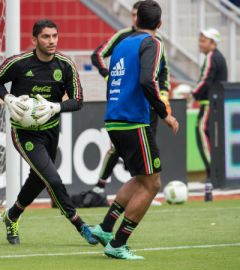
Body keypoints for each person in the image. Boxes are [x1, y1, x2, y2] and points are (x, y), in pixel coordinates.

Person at [0, 19, 98, 246]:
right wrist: (8, 98)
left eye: (54, 36)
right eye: (46, 37)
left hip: (51, 131)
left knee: (38, 179)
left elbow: (78, 101)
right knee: (53, 179)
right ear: (34, 39)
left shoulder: (65, 65)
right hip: (24, 133)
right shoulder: (19, 63)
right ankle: (81, 225)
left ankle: (12, 216)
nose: (51, 41)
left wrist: (55, 107)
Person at [90, 0, 179, 259]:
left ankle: (106, 228)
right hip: (133, 120)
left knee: (141, 177)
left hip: (115, 118)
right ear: (159, 24)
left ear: (136, 20)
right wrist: (165, 114)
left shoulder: (122, 43)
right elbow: (147, 80)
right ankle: (118, 243)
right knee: (152, 184)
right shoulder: (152, 43)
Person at [90, 0, 171, 194]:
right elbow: (98, 55)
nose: (135, 19)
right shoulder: (124, 38)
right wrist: (108, 75)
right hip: (129, 104)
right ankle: (101, 187)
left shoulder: (157, 43)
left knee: (145, 150)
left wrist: (164, 95)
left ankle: (136, 189)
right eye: (132, 15)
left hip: (149, 104)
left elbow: (163, 71)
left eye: (137, 15)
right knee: (122, 149)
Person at [191, 27, 228, 181]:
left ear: (213, 43)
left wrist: (193, 94)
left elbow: (205, 80)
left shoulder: (212, 56)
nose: (200, 43)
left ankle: (213, 173)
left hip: (209, 105)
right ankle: (216, 173)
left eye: (204, 40)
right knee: (214, 139)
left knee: (202, 133)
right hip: (217, 104)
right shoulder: (219, 56)